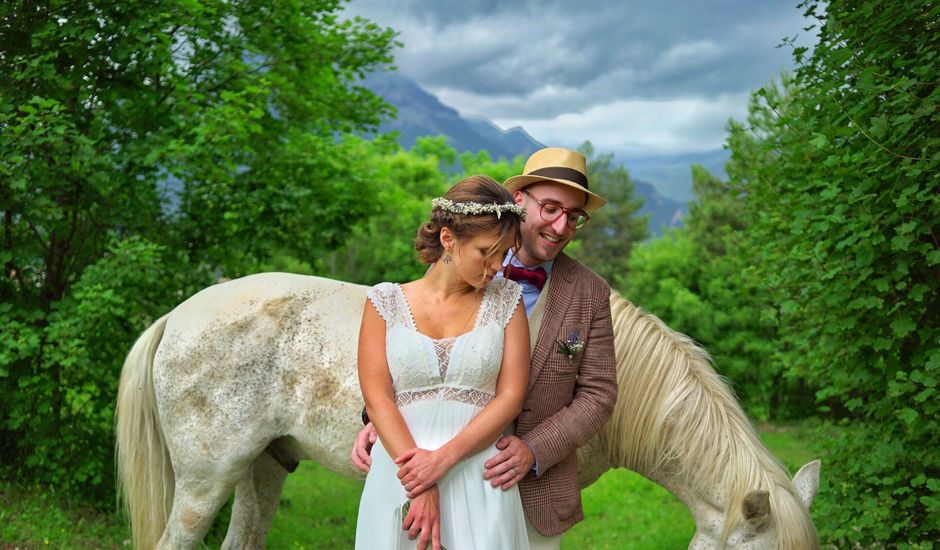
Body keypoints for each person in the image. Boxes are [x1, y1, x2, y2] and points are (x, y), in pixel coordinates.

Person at [353, 147, 618, 549]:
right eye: (550, 208)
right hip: (414, 464)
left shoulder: (590, 293)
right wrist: (378, 419)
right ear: (520, 202)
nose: (561, 225)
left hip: (513, 477)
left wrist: (534, 449)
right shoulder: (467, 249)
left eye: (574, 216)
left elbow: (599, 393)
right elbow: (409, 352)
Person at [355, 175, 532, 550]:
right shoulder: (383, 302)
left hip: (478, 475)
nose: (498, 266)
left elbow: (510, 397)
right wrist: (419, 483)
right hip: (400, 474)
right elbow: (378, 400)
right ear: (448, 238)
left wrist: (440, 461)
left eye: (504, 254)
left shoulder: (507, 301)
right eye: (487, 251)